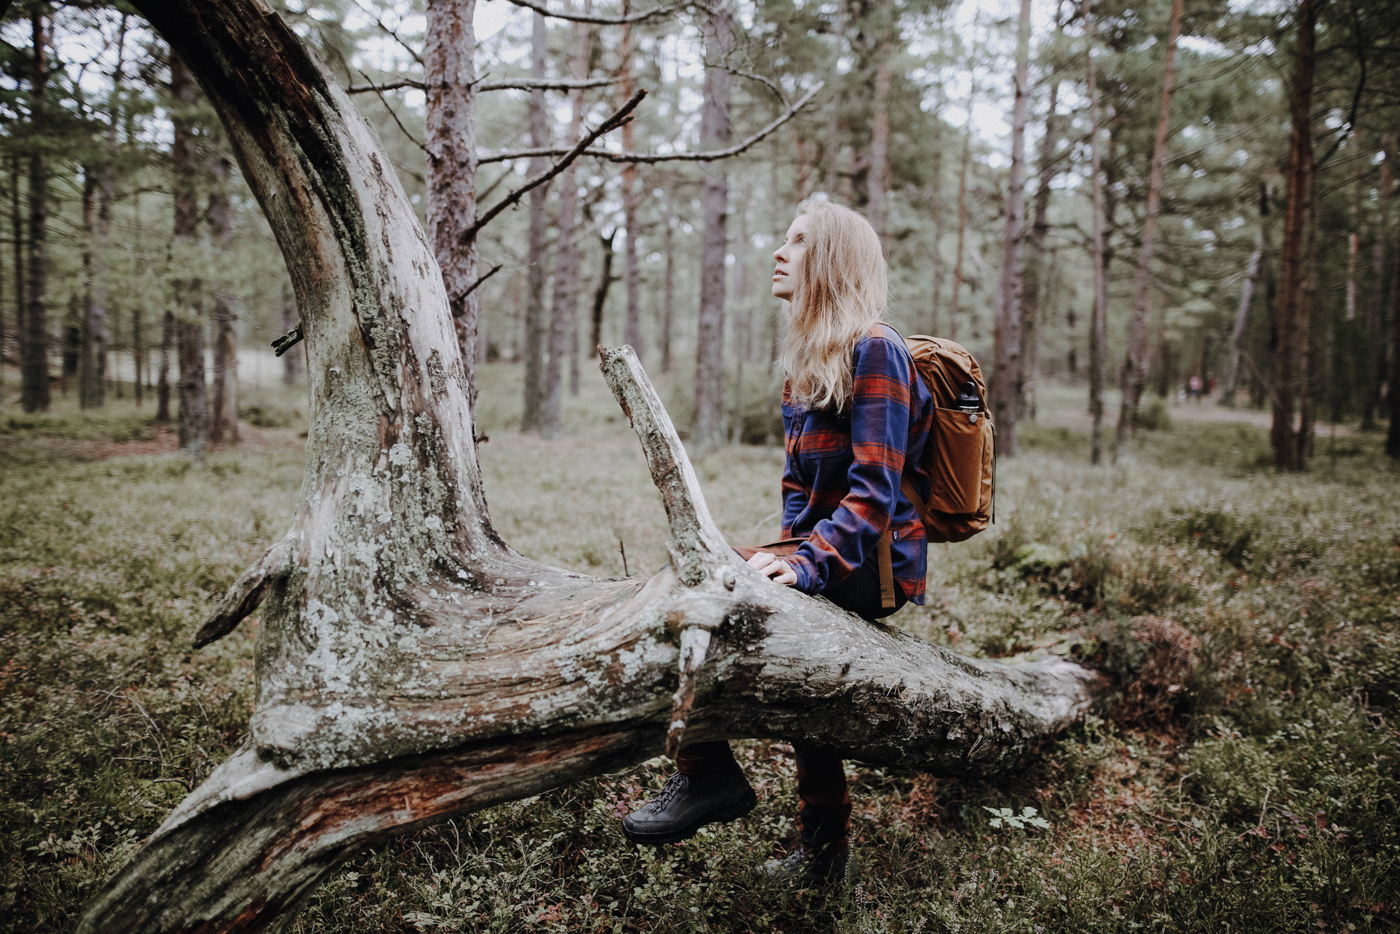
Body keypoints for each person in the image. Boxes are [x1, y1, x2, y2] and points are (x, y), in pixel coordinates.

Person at [620, 200, 933, 883]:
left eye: (798, 242)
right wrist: (787, 555)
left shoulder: (877, 349)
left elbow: (874, 492)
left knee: (699, 584)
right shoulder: (808, 364)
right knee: (739, 603)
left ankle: (705, 771)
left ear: (832, 260)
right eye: (784, 239)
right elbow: (797, 492)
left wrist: (808, 566)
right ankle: (825, 851)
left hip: (873, 565)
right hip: (825, 552)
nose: (779, 252)